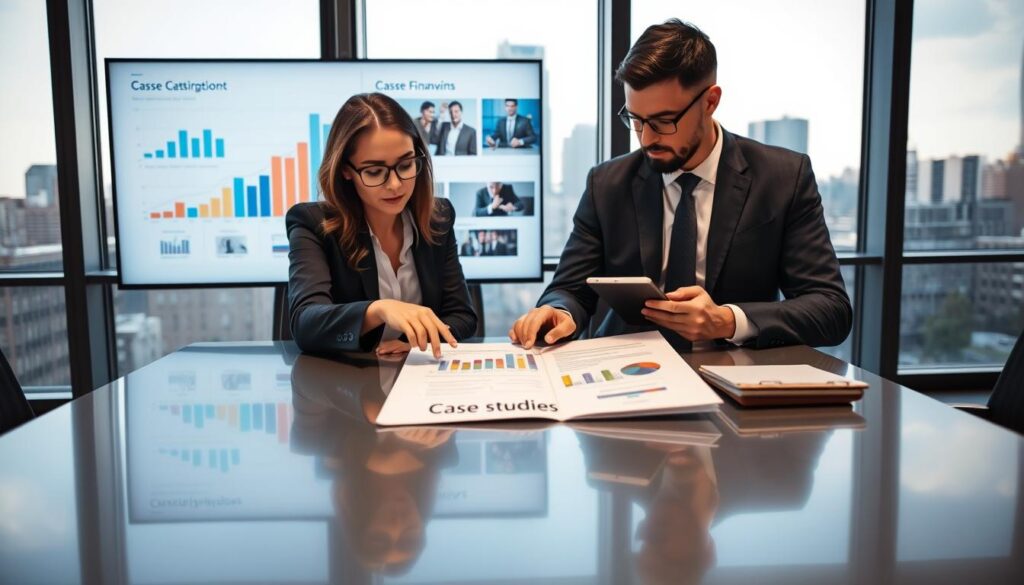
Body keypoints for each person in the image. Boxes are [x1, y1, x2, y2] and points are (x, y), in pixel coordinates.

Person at [510, 19, 851, 351]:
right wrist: (558, 310)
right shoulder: (607, 184)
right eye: (636, 120)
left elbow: (830, 309)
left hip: (734, 374)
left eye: (663, 121)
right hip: (625, 374)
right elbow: (570, 288)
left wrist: (728, 320)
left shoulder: (781, 177)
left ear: (710, 102)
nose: (646, 138)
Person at [287, 92, 478, 358]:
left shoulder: (439, 216)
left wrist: (415, 342)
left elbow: (462, 316)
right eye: (375, 171)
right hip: (345, 389)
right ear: (345, 170)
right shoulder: (313, 224)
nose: (395, 185)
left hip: (418, 381)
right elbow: (305, 324)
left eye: (406, 164)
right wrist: (378, 310)